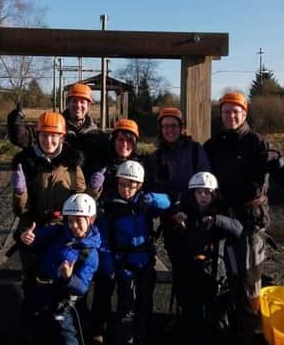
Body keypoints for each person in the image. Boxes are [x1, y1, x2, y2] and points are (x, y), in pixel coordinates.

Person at [203, 92, 284, 343]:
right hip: (223, 212)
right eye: (226, 111)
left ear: (245, 113)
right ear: (221, 115)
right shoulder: (213, 145)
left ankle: (252, 329)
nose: (231, 116)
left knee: (249, 276)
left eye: (235, 111)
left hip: (250, 217)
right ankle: (226, 323)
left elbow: (276, 162)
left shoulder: (257, 143)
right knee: (222, 271)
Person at [143, 107, 210, 312]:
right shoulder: (156, 157)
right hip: (172, 223)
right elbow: (152, 191)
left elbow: (207, 183)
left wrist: (190, 210)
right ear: (160, 129)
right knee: (179, 270)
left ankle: (199, 318)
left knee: (200, 270)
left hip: (196, 221)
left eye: (173, 125)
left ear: (181, 127)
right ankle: (183, 316)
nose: (169, 130)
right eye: (165, 126)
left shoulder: (196, 151)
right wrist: (172, 213)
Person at [97, 160, 170, 345]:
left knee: (145, 302)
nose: (126, 189)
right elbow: (103, 239)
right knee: (126, 304)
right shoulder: (111, 206)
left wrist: (150, 199)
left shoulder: (143, 202)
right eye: (122, 184)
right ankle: (125, 337)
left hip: (145, 261)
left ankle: (142, 335)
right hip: (124, 263)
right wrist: (108, 266)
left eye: (131, 185)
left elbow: (168, 202)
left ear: (140, 185)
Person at [16, 193, 101, 345]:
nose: (73, 225)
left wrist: (68, 278)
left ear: (92, 219)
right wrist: (25, 236)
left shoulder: (90, 253)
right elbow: (35, 238)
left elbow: (82, 287)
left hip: (60, 303)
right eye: (70, 221)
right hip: (37, 293)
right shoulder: (58, 231)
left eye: (78, 221)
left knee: (65, 336)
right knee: (32, 331)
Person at [170, 172, 243, 345]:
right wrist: (176, 219)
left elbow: (238, 229)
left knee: (213, 307)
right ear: (193, 194)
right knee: (190, 305)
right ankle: (190, 334)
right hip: (190, 266)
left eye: (207, 192)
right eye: (198, 192)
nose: (203, 196)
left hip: (214, 269)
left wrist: (217, 220)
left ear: (213, 194)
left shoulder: (222, 211)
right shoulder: (186, 210)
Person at [89, 118, 143, 343]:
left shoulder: (142, 166)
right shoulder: (102, 164)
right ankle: (96, 327)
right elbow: (88, 198)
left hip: (130, 236)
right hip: (106, 232)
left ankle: (123, 329)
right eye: (120, 139)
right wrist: (95, 189)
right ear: (114, 140)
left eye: (129, 140)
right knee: (104, 282)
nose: (124, 144)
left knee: (128, 289)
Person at [6, 83, 110, 178]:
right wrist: (15, 122)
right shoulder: (52, 125)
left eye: (82, 102)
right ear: (68, 103)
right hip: (56, 185)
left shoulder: (98, 135)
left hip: (85, 188)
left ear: (88, 106)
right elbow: (23, 138)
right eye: (74, 101)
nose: (78, 105)